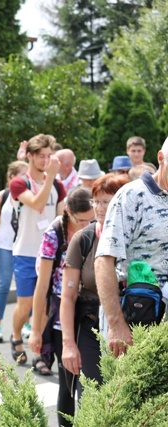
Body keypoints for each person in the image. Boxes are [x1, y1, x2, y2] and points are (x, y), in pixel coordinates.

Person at [60, 173, 130, 407]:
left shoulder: (135, 237)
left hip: (131, 328)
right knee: (91, 399)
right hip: (90, 328)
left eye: (106, 202)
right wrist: (68, 344)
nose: (99, 208)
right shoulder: (84, 239)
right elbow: (68, 297)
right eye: (96, 201)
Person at [96, 137, 168, 358]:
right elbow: (103, 261)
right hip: (136, 321)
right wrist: (116, 325)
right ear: (160, 158)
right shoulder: (132, 196)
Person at [28, 187, 93, 426]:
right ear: (68, 212)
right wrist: (36, 330)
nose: (87, 225)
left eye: (91, 219)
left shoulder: (97, 230)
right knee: (68, 383)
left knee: (91, 380)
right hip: (60, 312)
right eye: (81, 220)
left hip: (89, 310)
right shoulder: (54, 234)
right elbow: (42, 286)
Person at [9, 134, 66, 366]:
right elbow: (38, 204)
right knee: (25, 305)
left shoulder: (58, 185)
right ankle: (15, 337)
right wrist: (50, 176)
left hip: (48, 254)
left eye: (48, 155)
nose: (45, 160)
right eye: (41, 156)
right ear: (30, 156)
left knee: (42, 306)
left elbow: (61, 217)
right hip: (25, 252)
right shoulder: (19, 183)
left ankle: (39, 353)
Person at [0, 160, 28, 343]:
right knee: (3, 285)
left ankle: (26, 323)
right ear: (11, 177)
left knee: (25, 287)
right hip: (4, 246)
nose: (26, 179)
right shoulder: (1, 196)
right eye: (22, 175)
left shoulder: (29, 196)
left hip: (24, 247)